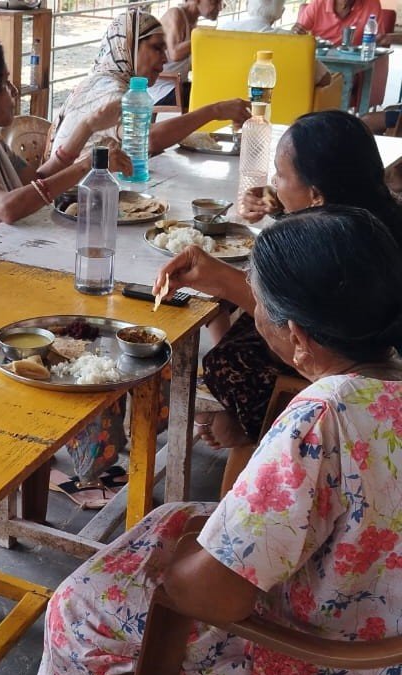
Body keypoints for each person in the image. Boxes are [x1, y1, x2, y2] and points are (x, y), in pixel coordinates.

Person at [29, 205, 402, 675]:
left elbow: (214, 598)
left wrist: (171, 571)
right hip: (382, 639)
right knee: (173, 517)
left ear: (298, 337)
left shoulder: (323, 418)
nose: (254, 310)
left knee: (75, 611)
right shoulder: (380, 391)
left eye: (259, 303)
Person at [165, 109, 402, 449]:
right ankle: (232, 421)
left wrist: (223, 279)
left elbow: (314, 331)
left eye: (281, 175)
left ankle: (253, 429)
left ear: (317, 195)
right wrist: (281, 207)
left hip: (355, 369)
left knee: (229, 359)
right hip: (364, 357)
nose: (274, 185)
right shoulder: (375, 219)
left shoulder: (349, 252)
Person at [0, 30, 132, 243]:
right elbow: (6, 207)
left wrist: (88, 126)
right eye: (5, 83)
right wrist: (88, 164)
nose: (14, 91)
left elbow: (36, 180)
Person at [48, 10, 250, 157]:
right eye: (156, 48)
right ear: (128, 47)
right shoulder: (108, 91)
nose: (165, 58)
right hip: (78, 196)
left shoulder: (103, 82)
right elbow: (147, 139)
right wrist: (214, 111)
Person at [219, 0, 331, 87]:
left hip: (225, 101)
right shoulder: (291, 41)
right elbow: (325, 79)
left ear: (247, 4)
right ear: (281, 12)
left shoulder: (224, 29)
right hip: (280, 105)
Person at [149, 0, 224, 108]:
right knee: (213, 98)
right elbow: (174, 53)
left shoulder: (193, 25)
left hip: (176, 86)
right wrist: (202, 39)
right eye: (214, 2)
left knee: (218, 90)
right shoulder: (176, 14)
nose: (220, 7)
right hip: (161, 90)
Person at [293, 0, 382, 46]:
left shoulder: (372, 4)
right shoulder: (318, 3)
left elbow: (379, 39)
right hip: (320, 61)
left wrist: (383, 39)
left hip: (354, 63)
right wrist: (296, 31)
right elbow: (297, 34)